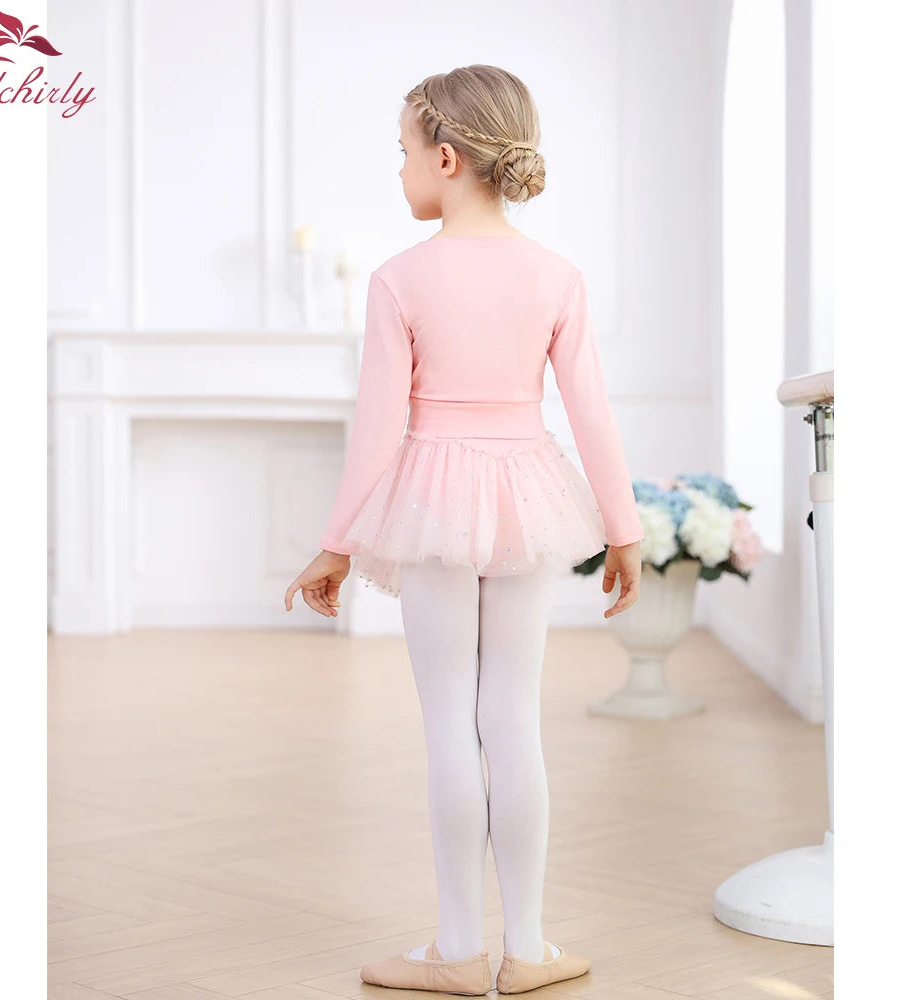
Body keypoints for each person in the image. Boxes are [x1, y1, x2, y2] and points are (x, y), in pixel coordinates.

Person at [284, 64, 643, 995]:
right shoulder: (557, 276)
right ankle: (528, 947)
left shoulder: (399, 279)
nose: (399, 167)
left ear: (446, 158)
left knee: (450, 722)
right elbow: (591, 412)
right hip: (527, 492)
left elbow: (377, 427)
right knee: (511, 716)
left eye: (404, 151)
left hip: (432, 498)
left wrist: (337, 543)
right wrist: (624, 530)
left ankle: (455, 949)